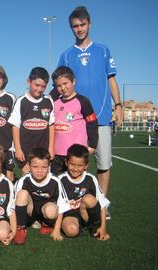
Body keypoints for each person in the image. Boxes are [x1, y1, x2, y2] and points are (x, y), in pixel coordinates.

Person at [53, 6, 123, 207]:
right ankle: (68, 204)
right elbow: (58, 86)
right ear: (71, 28)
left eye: (82, 24)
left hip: (100, 118)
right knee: (71, 166)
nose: (79, 29)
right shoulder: (66, 55)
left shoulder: (103, 50)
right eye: (75, 26)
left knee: (102, 164)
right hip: (73, 123)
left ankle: (101, 204)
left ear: (89, 24)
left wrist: (118, 105)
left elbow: (111, 80)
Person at [14, 147, 70, 244]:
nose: (39, 170)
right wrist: (13, 227)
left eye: (44, 167)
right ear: (29, 165)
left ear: (49, 166)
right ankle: (21, 229)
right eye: (35, 167)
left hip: (46, 210)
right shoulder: (23, 180)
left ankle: (46, 224)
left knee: (51, 210)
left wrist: (57, 230)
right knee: (22, 194)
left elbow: (62, 206)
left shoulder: (55, 181)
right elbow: (13, 205)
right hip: (30, 211)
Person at [51, 66, 98, 176]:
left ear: (74, 81)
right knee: (56, 184)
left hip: (76, 154)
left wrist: (92, 146)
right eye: (58, 85)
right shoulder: (54, 103)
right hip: (57, 154)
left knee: (76, 184)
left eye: (65, 83)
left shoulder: (83, 101)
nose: (63, 88)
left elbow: (92, 123)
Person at [59, 144, 110, 241]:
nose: (75, 168)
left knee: (88, 199)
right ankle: (74, 225)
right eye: (72, 164)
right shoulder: (60, 179)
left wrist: (103, 227)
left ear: (86, 166)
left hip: (85, 212)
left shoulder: (90, 179)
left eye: (80, 165)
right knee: (71, 231)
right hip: (70, 214)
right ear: (66, 162)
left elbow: (102, 204)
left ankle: (95, 226)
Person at [8, 67, 54, 175]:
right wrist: (18, 149)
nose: (40, 89)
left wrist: (51, 147)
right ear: (29, 82)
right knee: (27, 179)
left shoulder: (48, 101)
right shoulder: (21, 101)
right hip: (26, 150)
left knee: (44, 178)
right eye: (37, 85)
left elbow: (51, 125)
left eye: (43, 86)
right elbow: (15, 126)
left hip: (43, 150)